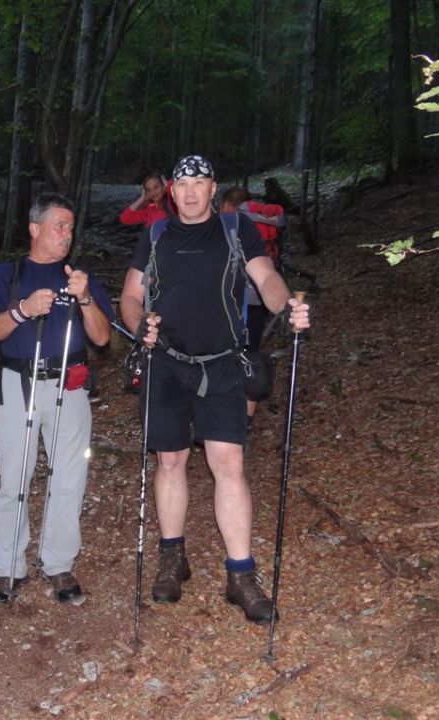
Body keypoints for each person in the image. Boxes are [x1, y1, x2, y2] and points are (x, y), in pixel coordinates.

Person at [119, 155, 310, 623]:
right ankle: (172, 557)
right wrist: (139, 324)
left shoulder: (235, 229)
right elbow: (129, 296)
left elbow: (265, 278)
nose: (189, 192)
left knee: (229, 463)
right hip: (166, 362)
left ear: (212, 188)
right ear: (171, 191)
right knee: (170, 460)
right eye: (182, 184)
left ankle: (241, 575)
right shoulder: (157, 234)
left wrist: (287, 309)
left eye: (199, 183)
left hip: (224, 363)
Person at [0, 193, 113, 605]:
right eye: (60, 225)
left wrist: (85, 298)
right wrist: (21, 311)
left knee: (69, 479)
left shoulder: (80, 279)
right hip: (18, 384)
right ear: (35, 228)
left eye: (71, 227)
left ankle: (58, 564)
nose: (67, 234)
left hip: (69, 387)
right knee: (14, 478)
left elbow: (102, 337)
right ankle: (8, 569)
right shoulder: (9, 274)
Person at [219, 186, 287, 433]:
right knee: (250, 353)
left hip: (240, 298)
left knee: (234, 353)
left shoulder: (237, 222)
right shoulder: (262, 216)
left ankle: (234, 415)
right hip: (261, 297)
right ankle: (244, 420)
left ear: (228, 204)